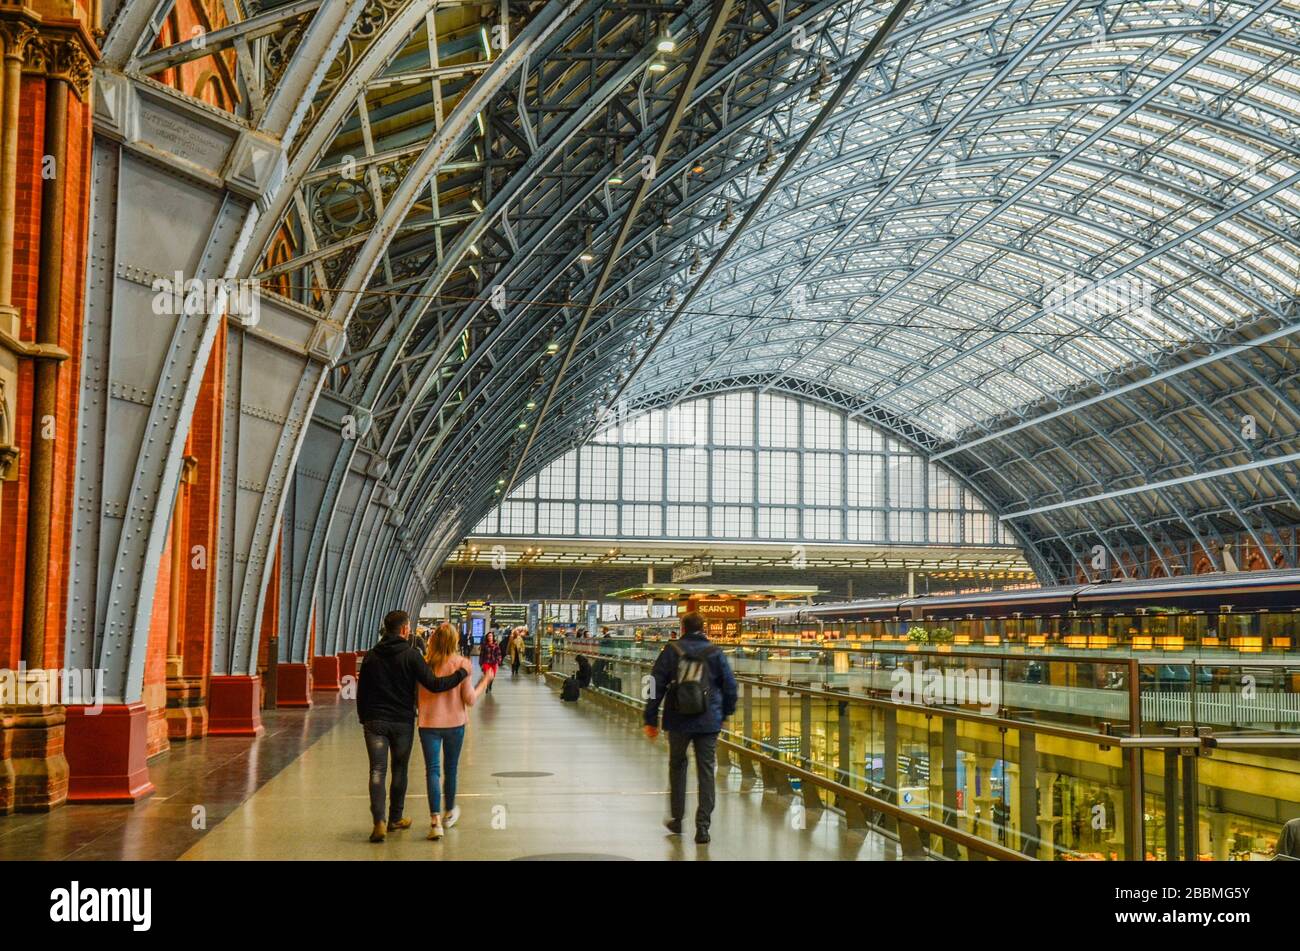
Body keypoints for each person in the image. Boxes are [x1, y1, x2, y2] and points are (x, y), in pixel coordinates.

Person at [357, 610, 470, 843]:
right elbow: (435, 685)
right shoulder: (411, 655)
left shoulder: (371, 656)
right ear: (405, 629)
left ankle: (378, 820)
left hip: (374, 721)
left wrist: (363, 717)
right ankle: (395, 818)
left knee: (377, 770)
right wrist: (461, 673)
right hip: (401, 721)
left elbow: (361, 692)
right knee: (399, 769)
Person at [643, 610, 738, 844]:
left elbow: (653, 684)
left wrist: (650, 718)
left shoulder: (671, 650)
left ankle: (677, 819)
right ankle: (703, 827)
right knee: (706, 771)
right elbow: (731, 687)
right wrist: (725, 713)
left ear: (682, 628)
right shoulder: (716, 652)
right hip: (709, 720)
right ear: (703, 628)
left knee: (677, 766)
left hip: (677, 719)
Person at [419, 623, 492, 841]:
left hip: (428, 724)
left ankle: (435, 821)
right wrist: (485, 681)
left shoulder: (424, 664)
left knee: (432, 770)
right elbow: (469, 700)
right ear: (455, 641)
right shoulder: (463, 664)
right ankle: (449, 812)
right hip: (455, 724)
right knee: (450, 768)